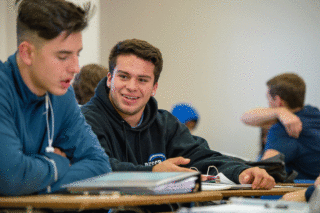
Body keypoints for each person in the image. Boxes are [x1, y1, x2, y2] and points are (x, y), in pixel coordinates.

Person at [81, 38, 275, 190]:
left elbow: (200, 156)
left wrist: (242, 172)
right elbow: (95, 167)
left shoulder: (165, 124)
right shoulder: (85, 120)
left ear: (154, 87)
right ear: (109, 79)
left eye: (142, 80)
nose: (132, 87)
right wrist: (153, 171)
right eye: (123, 76)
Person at [0, 0, 112, 196]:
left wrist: (33, 181)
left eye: (77, 54)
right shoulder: (3, 88)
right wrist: (58, 163)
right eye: (63, 56)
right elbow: (10, 178)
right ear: (27, 53)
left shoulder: (62, 95)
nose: (76, 68)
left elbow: (99, 165)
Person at [241, 73, 320, 180]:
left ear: (277, 100)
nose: (268, 103)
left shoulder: (282, 129)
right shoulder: (313, 112)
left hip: (302, 190)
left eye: (268, 98)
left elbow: (263, 172)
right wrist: (280, 111)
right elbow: (246, 117)